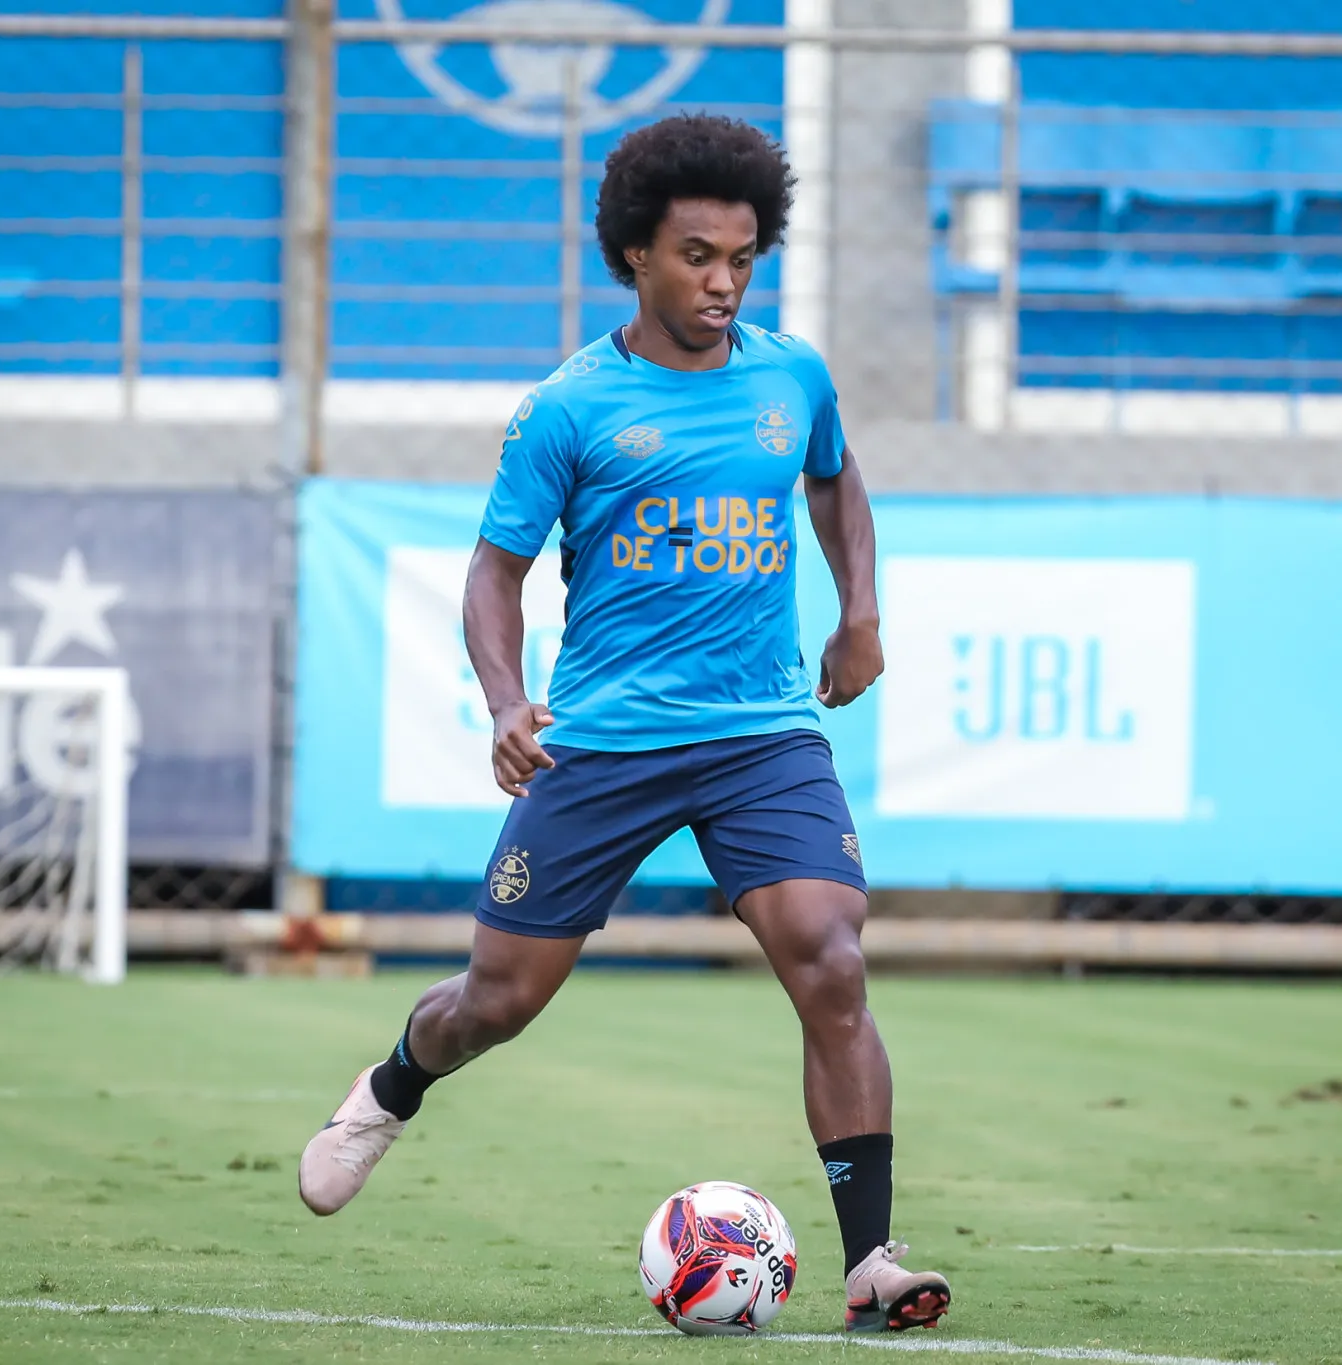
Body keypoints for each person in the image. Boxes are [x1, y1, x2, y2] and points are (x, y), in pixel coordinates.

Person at [297, 113, 950, 1334]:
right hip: (604, 740)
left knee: (831, 957)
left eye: (743, 258)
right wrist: (504, 703)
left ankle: (870, 1264)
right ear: (635, 257)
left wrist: (860, 613)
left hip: (761, 732)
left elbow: (834, 476)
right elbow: (494, 574)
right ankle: (389, 1088)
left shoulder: (790, 375)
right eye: (697, 255)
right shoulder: (566, 409)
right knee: (492, 1004)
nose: (721, 282)